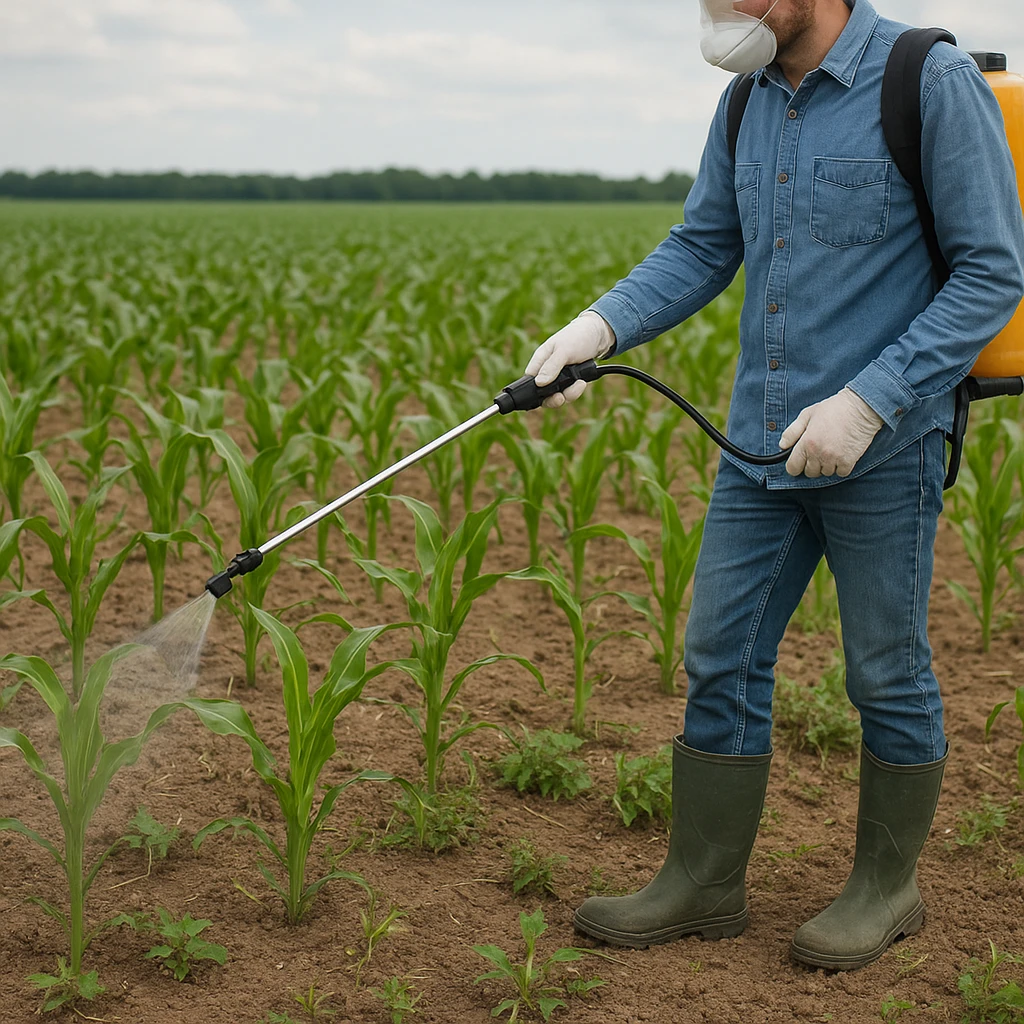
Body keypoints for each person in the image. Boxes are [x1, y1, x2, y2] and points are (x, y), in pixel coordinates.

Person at [523, 0, 1024, 970]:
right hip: (759, 445)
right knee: (719, 649)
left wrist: (868, 401)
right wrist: (597, 328)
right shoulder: (747, 103)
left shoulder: (926, 82)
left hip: (884, 446)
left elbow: (990, 272)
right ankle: (703, 880)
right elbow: (704, 243)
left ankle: (887, 886)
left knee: (883, 669)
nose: (720, 10)